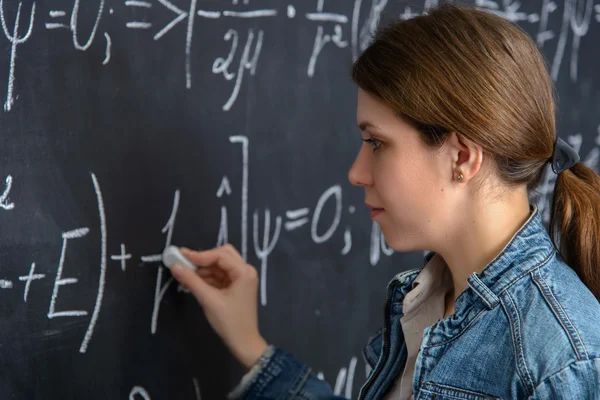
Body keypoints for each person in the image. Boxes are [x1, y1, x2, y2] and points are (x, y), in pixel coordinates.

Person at [170, 3, 600, 399]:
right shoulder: (431, 300)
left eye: (376, 143)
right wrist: (251, 347)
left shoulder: (559, 359)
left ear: (462, 157)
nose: (356, 173)